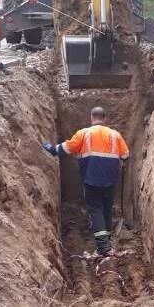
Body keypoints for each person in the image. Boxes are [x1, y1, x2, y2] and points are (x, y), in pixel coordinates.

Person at [42, 106, 130, 256]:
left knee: (96, 211)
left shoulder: (83, 134)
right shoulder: (115, 135)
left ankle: (103, 247)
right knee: (106, 210)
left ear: (91, 118)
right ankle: (106, 242)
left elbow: (65, 149)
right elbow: (126, 155)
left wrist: (50, 148)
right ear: (105, 118)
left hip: (91, 180)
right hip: (110, 181)